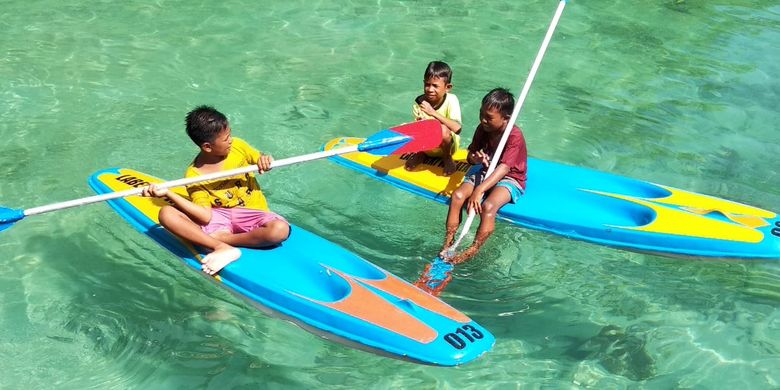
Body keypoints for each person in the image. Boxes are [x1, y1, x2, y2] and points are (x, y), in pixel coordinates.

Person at [141, 106, 290, 275]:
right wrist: (168, 193)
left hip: (252, 213)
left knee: (279, 230)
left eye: (230, 134)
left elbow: (259, 158)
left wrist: (265, 160)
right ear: (207, 147)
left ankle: (222, 240)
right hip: (220, 217)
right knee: (166, 214)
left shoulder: (238, 147)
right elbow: (205, 216)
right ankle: (222, 247)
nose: (231, 140)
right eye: (226, 139)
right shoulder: (194, 174)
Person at [440, 88, 527, 265]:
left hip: (510, 178)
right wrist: (475, 158)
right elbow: (470, 156)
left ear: (506, 118)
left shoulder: (514, 135)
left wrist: (479, 189)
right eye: (481, 114)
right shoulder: (483, 128)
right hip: (485, 170)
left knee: (488, 206)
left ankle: (472, 249)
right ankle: (448, 242)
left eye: (489, 117)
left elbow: (504, 168)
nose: (483, 120)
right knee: (457, 196)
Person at [404, 61, 463, 175]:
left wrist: (433, 113)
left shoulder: (451, 100)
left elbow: (457, 128)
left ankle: (447, 158)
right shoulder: (419, 102)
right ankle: (421, 153)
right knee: (408, 127)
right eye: (427, 84)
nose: (430, 89)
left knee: (442, 129)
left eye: (435, 86)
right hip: (427, 146)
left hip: (448, 147)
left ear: (447, 87)